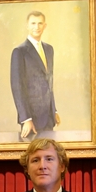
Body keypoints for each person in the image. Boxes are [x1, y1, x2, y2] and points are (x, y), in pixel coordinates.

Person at [11, 11, 59, 140]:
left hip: (48, 116)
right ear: (27, 25)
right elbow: (17, 87)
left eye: (40, 23)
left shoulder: (49, 49)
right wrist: (26, 118)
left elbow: (49, 82)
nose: (36, 27)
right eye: (33, 23)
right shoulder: (20, 51)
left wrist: (53, 110)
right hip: (31, 118)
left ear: (45, 26)